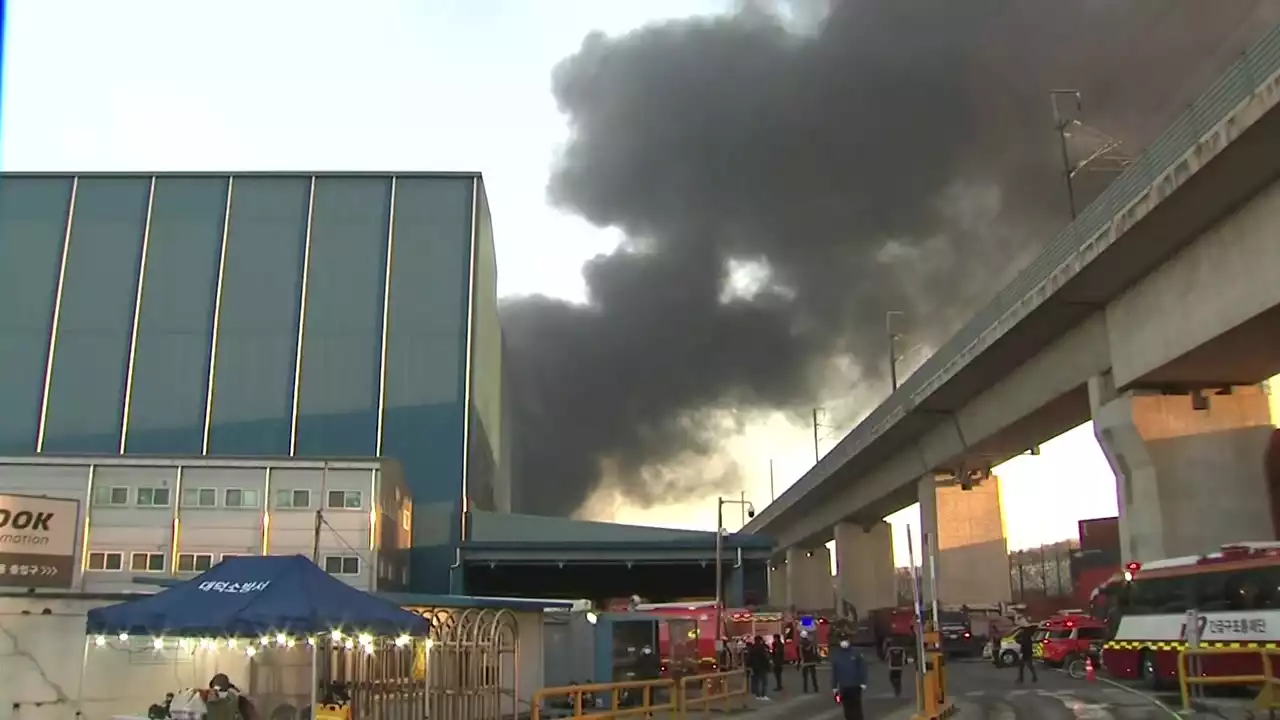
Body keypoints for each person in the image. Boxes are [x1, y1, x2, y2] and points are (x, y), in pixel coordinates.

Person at [830, 636, 868, 720]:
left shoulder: (856, 653)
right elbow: (834, 672)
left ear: (849, 641)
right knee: (847, 709)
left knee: (857, 708)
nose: (844, 643)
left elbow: (862, 668)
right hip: (843, 687)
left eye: (845, 641)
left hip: (855, 686)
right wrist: (834, 687)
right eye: (842, 641)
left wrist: (863, 682)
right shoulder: (837, 656)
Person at [746, 635, 772, 700]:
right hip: (762, 666)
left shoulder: (752, 647)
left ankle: (757, 695)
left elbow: (749, 657)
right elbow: (765, 658)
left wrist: (748, 666)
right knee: (764, 682)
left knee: (755, 681)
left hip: (755, 667)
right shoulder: (762, 647)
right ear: (760, 640)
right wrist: (769, 666)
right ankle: (763, 695)